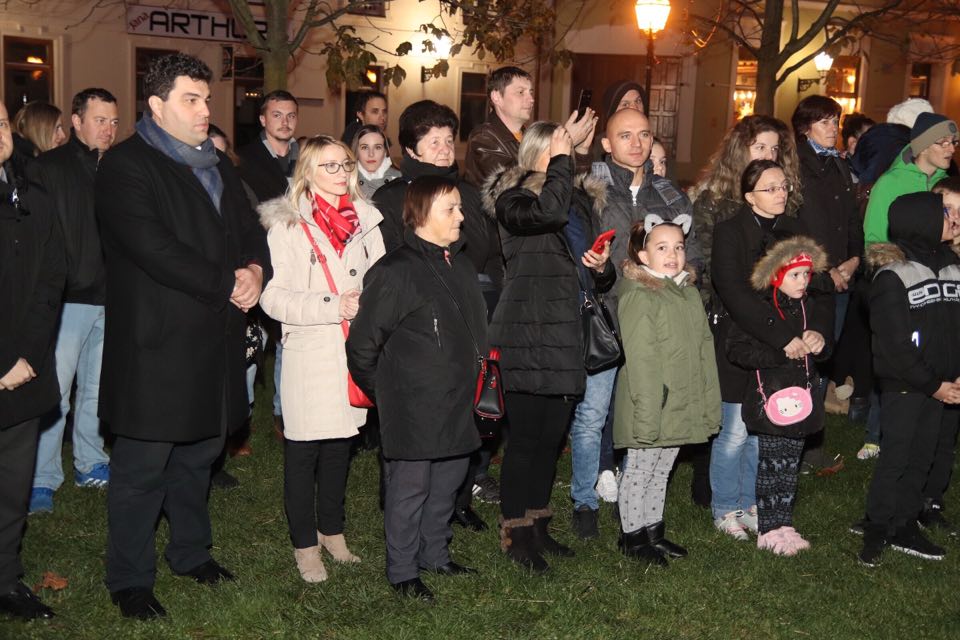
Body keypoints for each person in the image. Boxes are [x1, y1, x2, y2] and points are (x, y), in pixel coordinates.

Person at [95, 53, 270, 619]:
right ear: (156, 105)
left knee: (199, 458)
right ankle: (129, 579)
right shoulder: (126, 166)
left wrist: (255, 270)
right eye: (190, 100)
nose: (204, 110)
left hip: (214, 340)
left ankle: (191, 553)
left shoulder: (216, 164)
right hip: (157, 347)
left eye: (206, 99)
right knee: (142, 471)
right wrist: (229, 283)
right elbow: (154, 248)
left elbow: (251, 228)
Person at [347, 175, 485, 602]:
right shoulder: (394, 272)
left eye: (460, 207)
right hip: (412, 405)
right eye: (450, 209)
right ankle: (403, 571)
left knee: (447, 484)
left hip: (458, 401)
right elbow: (362, 347)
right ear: (422, 215)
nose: (461, 216)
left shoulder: (461, 265)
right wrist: (390, 396)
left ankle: (435, 555)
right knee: (409, 491)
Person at [483, 122, 613, 573]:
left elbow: (589, 273)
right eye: (560, 151)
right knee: (524, 439)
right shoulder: (513, 199)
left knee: (550, 439)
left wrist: (601, 268)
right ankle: (515, 533)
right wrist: (560, 162)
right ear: (541, 153)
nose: (569, 158)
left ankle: (537, 526)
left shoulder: (573, 201)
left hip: (564, 333)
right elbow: (548, 213)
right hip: (525, 330)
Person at [259, 136, 385, 583]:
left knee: (339, 449)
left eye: (345, 164)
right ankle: (305, 546)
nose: (340, 173)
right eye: (329, 166)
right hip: (311, 354)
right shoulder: (289, 226)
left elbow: (382, 279)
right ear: (307, 172)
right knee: (303, 453)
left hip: (353, 350)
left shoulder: (367, 219)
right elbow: (272, 297)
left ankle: (332, 532)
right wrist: (333, 305)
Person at [372, 100, 503, 526]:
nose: (446, 149)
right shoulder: (392, 198)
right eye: (434, 142)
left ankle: (457, 500)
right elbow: (387, 263)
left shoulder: (468, 194)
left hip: (466, 316)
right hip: (414, 325)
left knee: (463, 414)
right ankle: (399, 503)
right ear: (411, 149)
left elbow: (487, 250)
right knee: (413, 422)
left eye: (449, 140)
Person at [708, 159, 831, 541]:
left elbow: (818, 287)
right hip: (743, 344)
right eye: (771, 188)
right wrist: (781, 336)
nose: (781, 193)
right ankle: (725, 508)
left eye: (784, 186)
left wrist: (816, 331)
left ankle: (753, 503)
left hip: (786, 355)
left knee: (764, 429)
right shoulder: (730, 232)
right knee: (734, 433)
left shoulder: (794, 230)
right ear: (749, 196)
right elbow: (734, 293)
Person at [28, 88, 119, 514]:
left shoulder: (119, 168)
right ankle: (41, 478)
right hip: (66, 299)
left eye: (114, 121)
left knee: (98, 389)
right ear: (77, 121)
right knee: (56, 392)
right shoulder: (48, 168)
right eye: (100, 120)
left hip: (113, 297)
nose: (108, 129)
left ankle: (91, 462)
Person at [858, 190, 960, 567]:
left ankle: (904, 523)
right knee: (897, 457)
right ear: (922, 221)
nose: (953, 219)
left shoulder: (952, 267)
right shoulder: (893, 275)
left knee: (923, 455)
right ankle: (877, 525)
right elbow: (894, 344)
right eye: (944, 213)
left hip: (941, 384)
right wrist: (933, 385)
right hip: (905, 385)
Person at [613, 215, 720, 566]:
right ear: (643, 256)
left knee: (662, 469)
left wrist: (706, 398)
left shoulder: (686, 293)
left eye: (678, 247)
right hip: (652, 402)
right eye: (662, 248)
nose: (672, 255)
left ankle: (653, 531)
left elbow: (703, 349)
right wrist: (647, 412)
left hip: (680, 401)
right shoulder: (640, 295)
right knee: (640, 470)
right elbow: (641, 359)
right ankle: (632, 537)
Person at [0, 101, 64, 621]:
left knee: (12, 485)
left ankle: (4, 580)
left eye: (0, 123)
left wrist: (26, 353)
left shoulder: (32, 190)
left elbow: (51, 274)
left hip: (24, 368)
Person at [726, 237, 831, 555]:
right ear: (775, 275)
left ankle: (784, 523)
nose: (803, 281)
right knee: (772, 465)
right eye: (794, 275)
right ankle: (768, 528)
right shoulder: (758, 311)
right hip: (770, 399)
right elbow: (737, 350)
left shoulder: (808, 307)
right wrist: (779, 352)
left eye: (806, 274)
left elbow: (826, 351)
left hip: (802, 400)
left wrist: (820, 342)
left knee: (790, 465)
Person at [238, 90, 300, 439]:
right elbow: (245, 214)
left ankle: (284, 413)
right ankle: (240, 420)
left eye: (290, 115)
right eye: (277, 115)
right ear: (262, 119)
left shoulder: (306, 157)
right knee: (252, 343)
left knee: (290, 341)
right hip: (258, 261)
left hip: (297, 264)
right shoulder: (245, 159)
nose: (284, 122)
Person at [464, 66, 596, 188]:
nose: (531, 99)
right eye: (521, 92)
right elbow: (512, 188)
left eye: (530, 92)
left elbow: (568, 190)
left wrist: (581, 151)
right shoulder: (482, 137)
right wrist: (566, 142)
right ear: (497, 97)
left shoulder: (530, 135)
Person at [863, 112, 957, 245]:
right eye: (944, 142)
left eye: (953, 142)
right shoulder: (890, 183)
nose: (952, 149)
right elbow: (875, 238)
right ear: (923, 148)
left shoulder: (947, 186)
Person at [352, 124, 400, 200]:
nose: (371, 154)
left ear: (385, 151)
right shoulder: (346, 180)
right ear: (356, 151)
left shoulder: (400, 180)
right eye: (365, 147)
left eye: (377, 147)